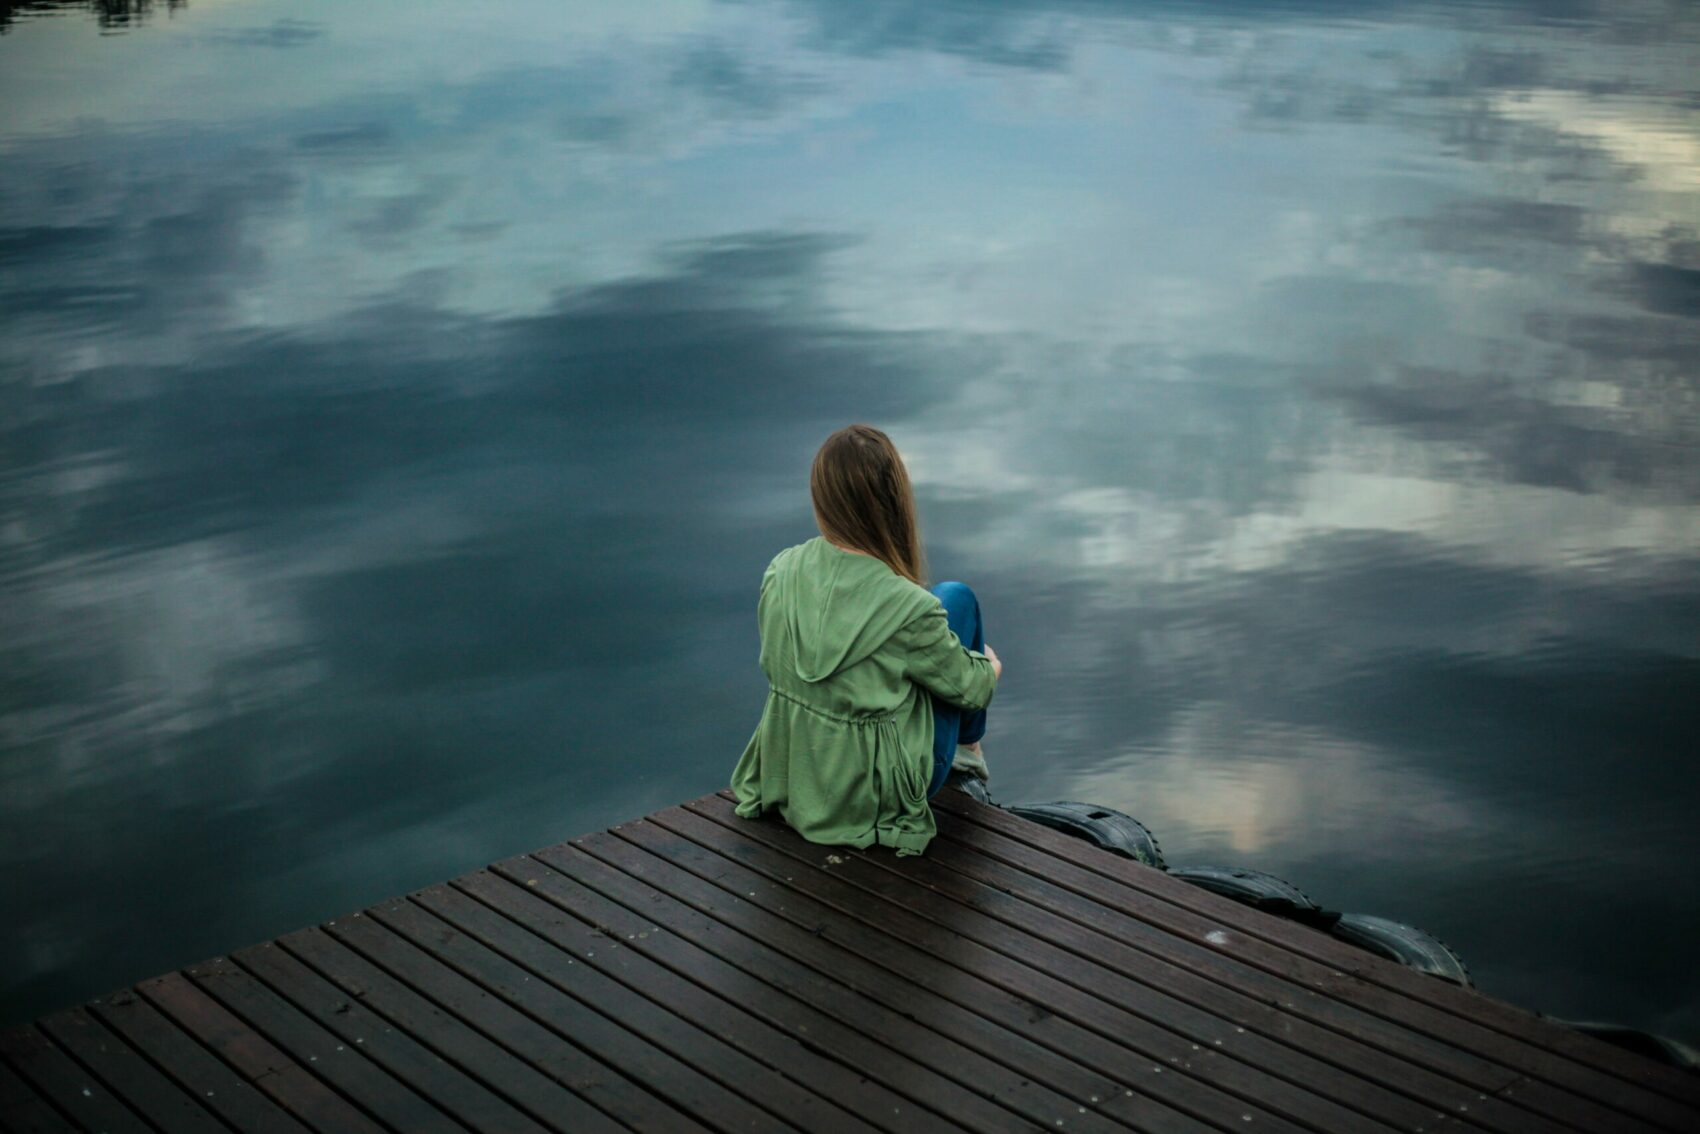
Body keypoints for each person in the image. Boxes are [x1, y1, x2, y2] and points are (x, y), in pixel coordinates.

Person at [730, 424, 1003, 857]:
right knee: (957, 598)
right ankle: (967, 756)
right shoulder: (910, 608)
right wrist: (988, 665)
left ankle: (964, 753)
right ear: (894, 501)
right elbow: (974, 690)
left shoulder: (780, 571)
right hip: (873, 797)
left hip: (799, 775)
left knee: (943, 605)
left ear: (822, 498)